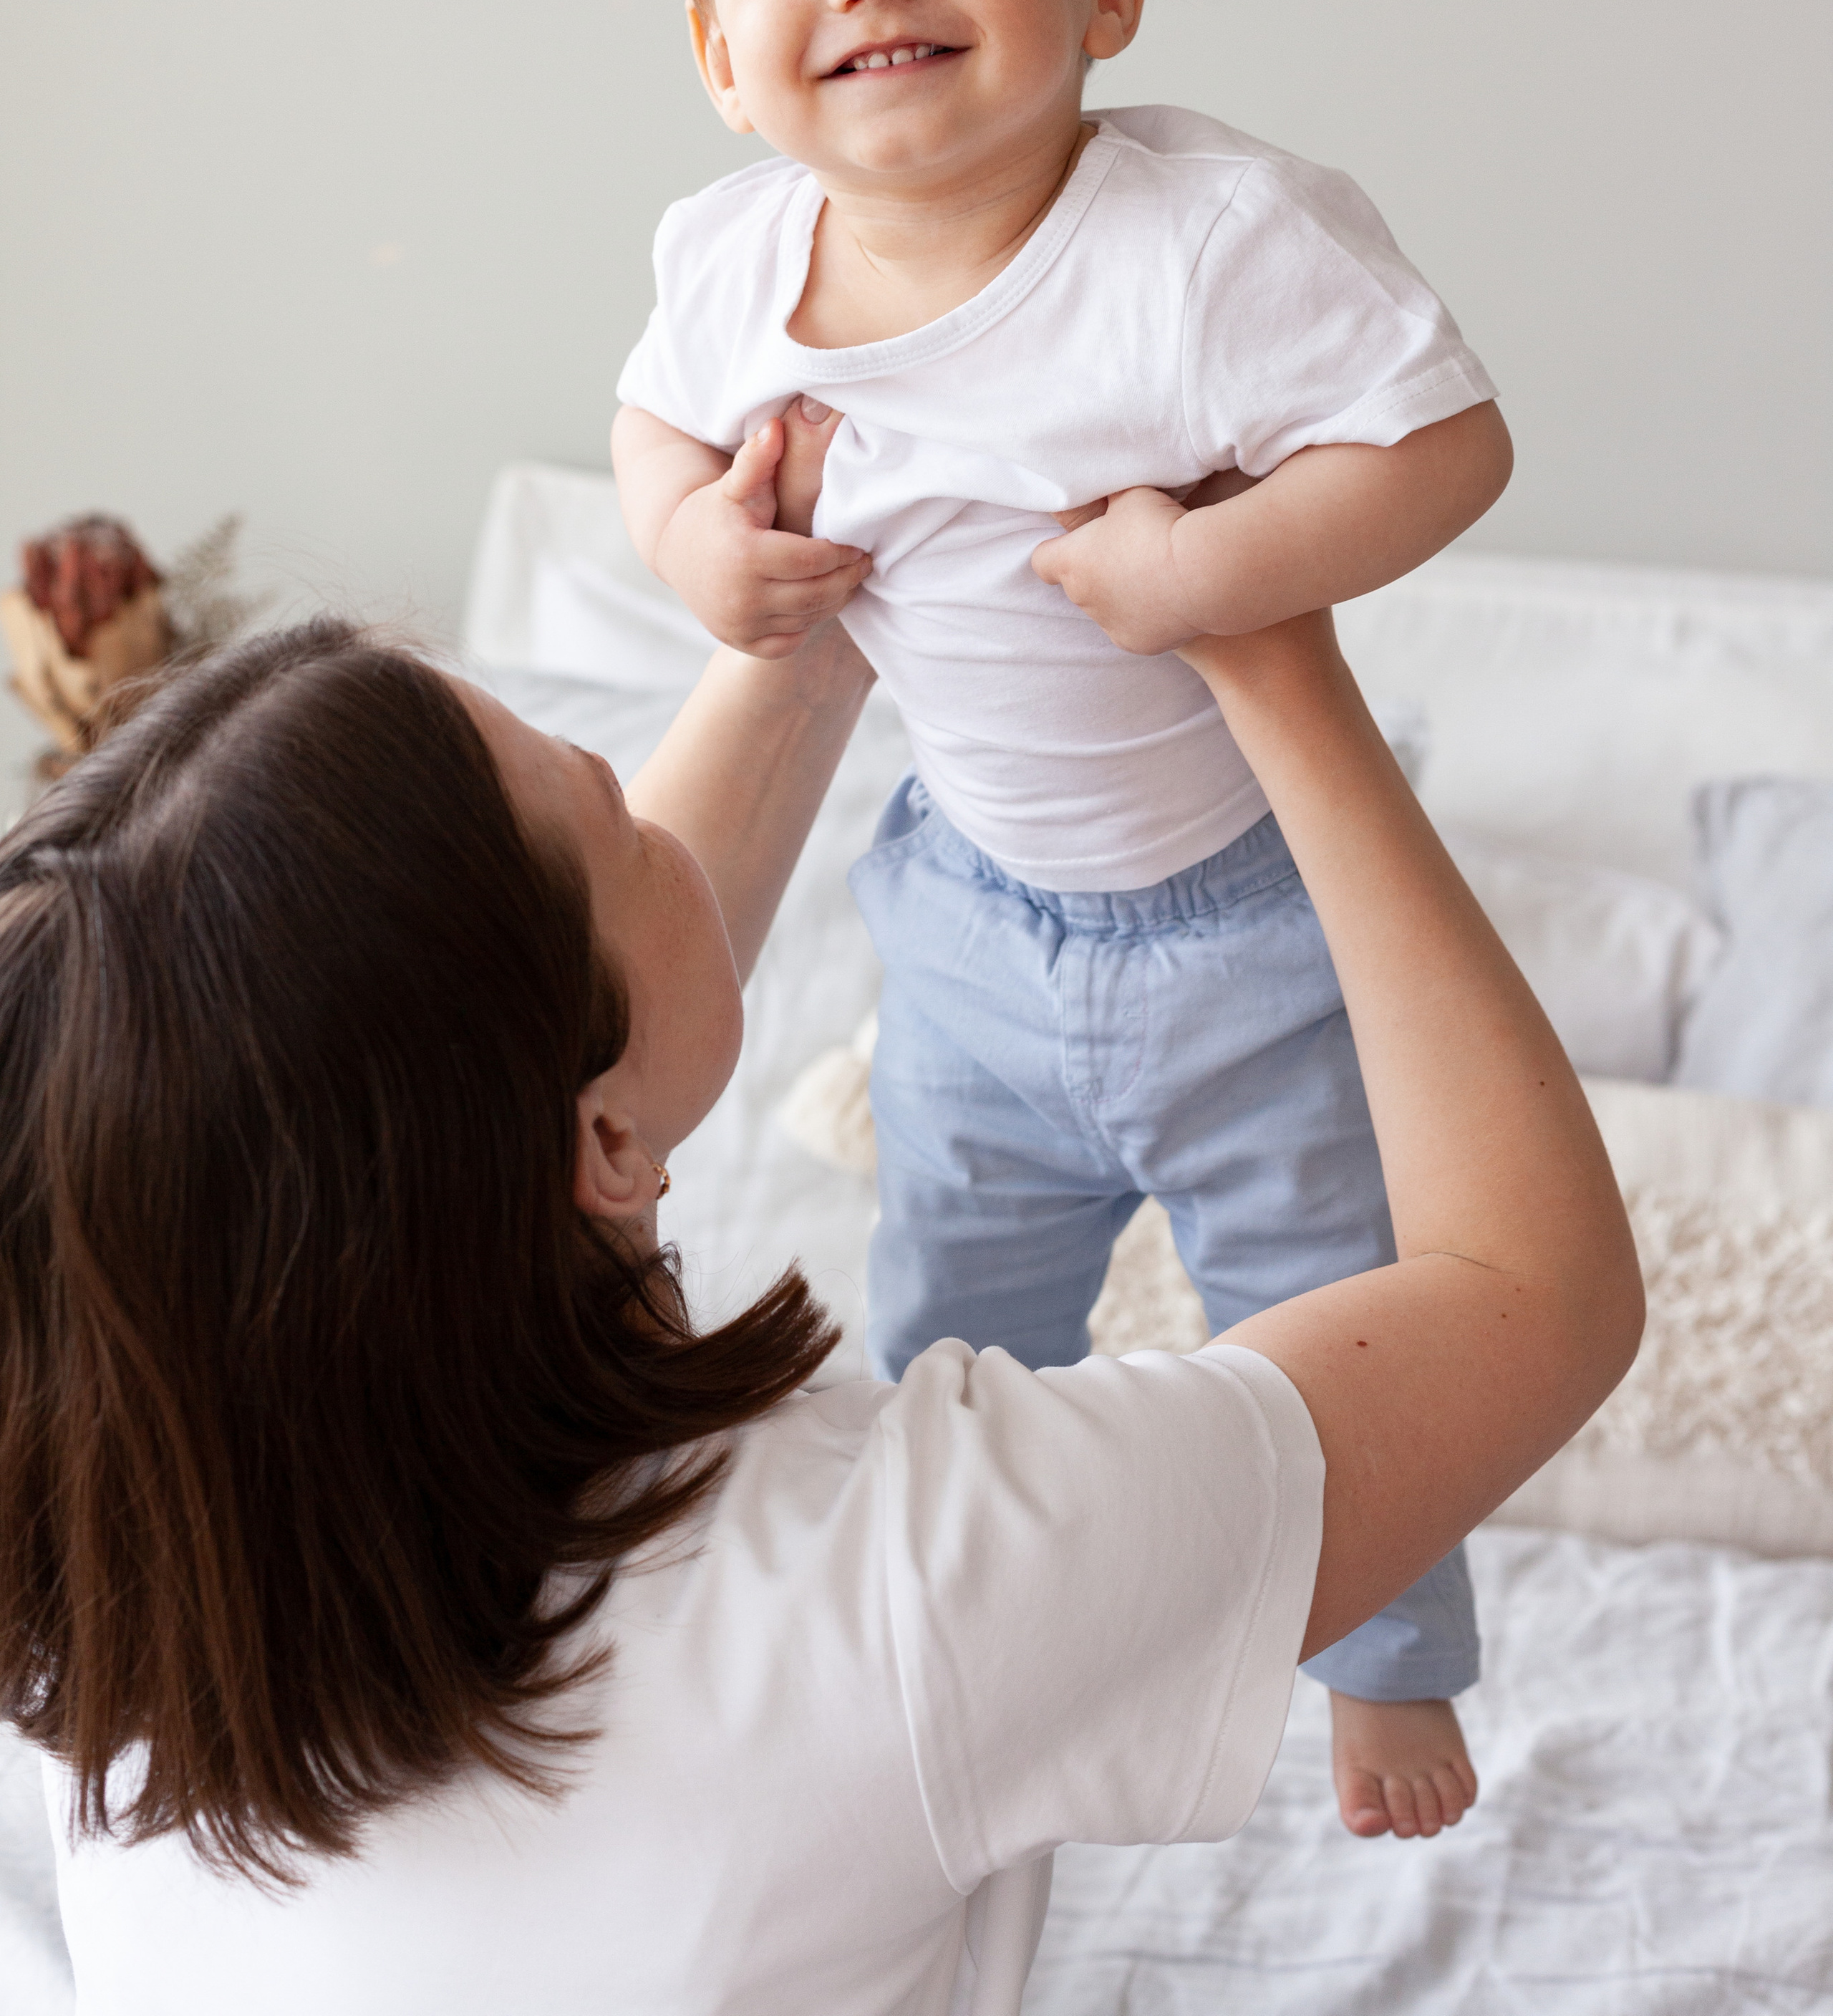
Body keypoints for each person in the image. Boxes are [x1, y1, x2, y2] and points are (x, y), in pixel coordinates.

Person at [0, 541, 1640, 2016]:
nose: (662, 819)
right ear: (600, 1151)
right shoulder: (897, 1578)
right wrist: (1281, 671)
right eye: (611, 802)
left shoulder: (128, 1610)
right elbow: (1532, 1290)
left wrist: (837, 598)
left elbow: (590, 1009)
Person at [611, 0, 1517, 1829]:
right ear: (722, 55)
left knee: (1326, 1314)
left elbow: (1446, 447)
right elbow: (653, 438)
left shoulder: (1208, 245)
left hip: (1250, 929)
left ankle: (1387, 1664)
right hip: (973, 921)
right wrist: (704, 558)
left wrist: (1221, 577)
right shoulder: (739, 264)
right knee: (949, 1320)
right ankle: (975, 1636)